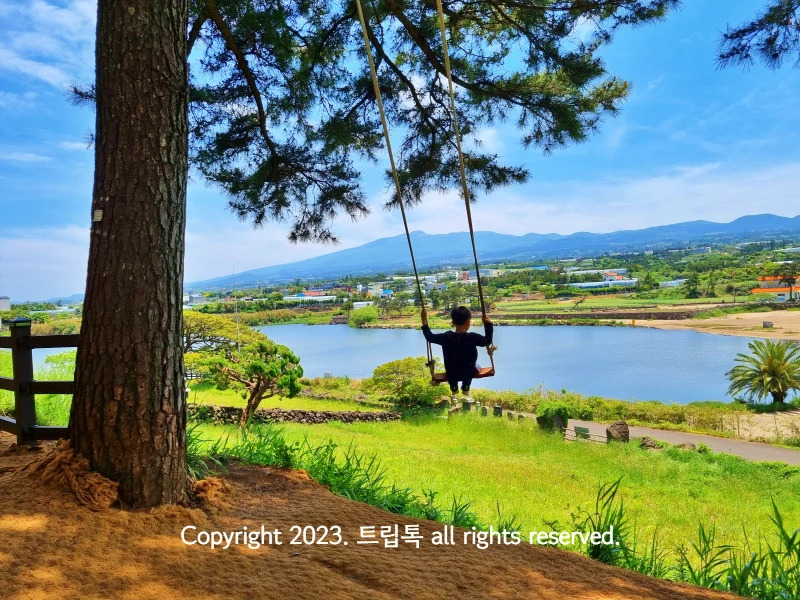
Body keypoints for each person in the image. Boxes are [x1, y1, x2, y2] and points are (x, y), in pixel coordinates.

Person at [421, 305, 493, 402]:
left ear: (453, 322)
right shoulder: (472, 337)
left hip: (452, 373)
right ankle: (466, 388)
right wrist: (488, 325)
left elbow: (430, 337)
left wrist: (424, 321)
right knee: (472, 366)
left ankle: (454, 388)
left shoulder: (446, 337)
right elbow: (487, 341)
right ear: (468, 322)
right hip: (469, 372)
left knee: (452, 369)